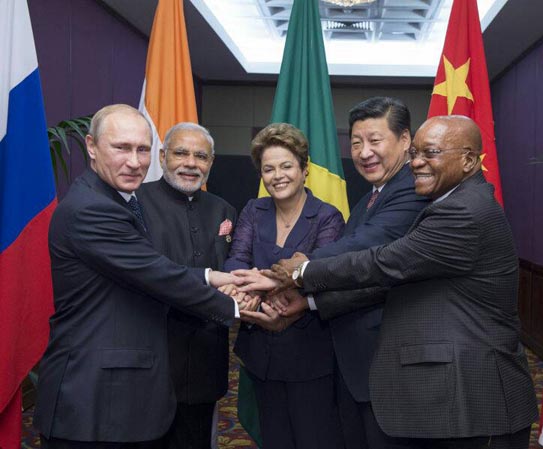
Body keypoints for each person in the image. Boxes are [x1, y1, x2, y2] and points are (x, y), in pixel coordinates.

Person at [249, 116, 539, 449]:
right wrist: (311, 302)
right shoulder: (447, 203)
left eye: (431, 153)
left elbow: (384, 262)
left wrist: (303, 272)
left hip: (476, 399)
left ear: (469, 160)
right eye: (415, 153)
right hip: (455, 400)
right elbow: (400, 281)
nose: (416, 162)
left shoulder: (463, 211)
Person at [33, 104, 253, 449]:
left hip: (119, 397)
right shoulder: (93, 208)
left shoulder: (115, 199)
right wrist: (240, 308)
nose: (135, 162)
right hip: (93, 402)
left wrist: (212, 276)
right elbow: (157, 275)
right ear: (91, 146)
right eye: (121, 148)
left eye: (142, 149)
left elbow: (149, 270)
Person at [240, 96, 428, 449]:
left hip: (384, 365)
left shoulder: (411, 191)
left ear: (405, 140)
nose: (364, 152)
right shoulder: (370, 198)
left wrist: (292, 273)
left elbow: (363, 251)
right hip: (354, 363)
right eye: (356, 143)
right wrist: (305, 302)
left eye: (375, 140)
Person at [223, 123, 345, 449]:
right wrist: (248, 290)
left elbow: (321, 273)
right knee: (273, 438)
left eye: (286, 166)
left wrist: (261, 285)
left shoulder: (327, 217)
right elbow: (236, 260)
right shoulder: (254, 209)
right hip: (259, 354)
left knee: (314, 439)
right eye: (269, 169)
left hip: (309, 354)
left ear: (304, 170)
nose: (277, 176)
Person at [137, 123, 236, 449]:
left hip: (206, 358)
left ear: (211, 162)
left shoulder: (224, 209)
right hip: (153, 358)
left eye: (201, 156)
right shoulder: (135, 204)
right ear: (162, 156)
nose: (191, 163)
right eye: (181, 153)